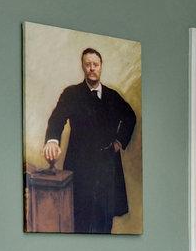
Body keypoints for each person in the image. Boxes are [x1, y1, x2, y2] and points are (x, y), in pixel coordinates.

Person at [41, 46, 138, 234]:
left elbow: (129, 117)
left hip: (107, 165)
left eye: (95, 64)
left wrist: (119, 141)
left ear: (101, 66)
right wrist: (52, 140)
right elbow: (57, 119)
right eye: (88, 65)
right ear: (83, 67)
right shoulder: (71, 94)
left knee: (104, 221)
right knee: (80, 218)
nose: (92, 68)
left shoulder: (112, 96)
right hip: (80, 164)